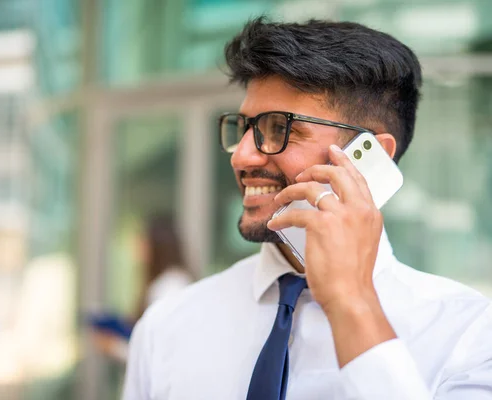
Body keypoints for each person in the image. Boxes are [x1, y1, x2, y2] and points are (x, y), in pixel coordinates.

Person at [122, 18, 492, 399]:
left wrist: (352, 303)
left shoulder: (469, 336)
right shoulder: (167, 326)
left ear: (370, 158)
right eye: (244, 127)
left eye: (280, 128)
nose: (241, 156)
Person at [92, 214, 194, 363]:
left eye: (143, 241)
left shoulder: (171, 286)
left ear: (158, 245)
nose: (137, 247)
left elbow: (160, 355)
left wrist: (114, 347)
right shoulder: (167, 282)